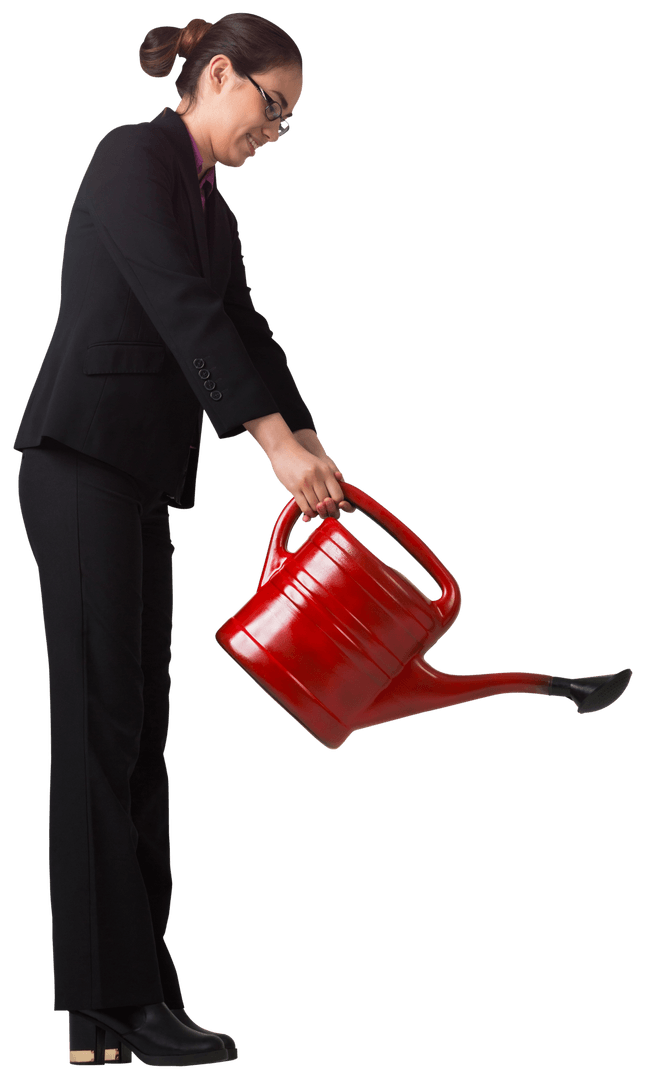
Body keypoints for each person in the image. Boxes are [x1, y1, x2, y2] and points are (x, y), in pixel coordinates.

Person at [13, 12, 354, 1069]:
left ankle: (120, 1001)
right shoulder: (132, 157)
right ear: (218, 75)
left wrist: (309, 439)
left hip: (140, 481)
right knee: (98, 730)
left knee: (138, 735)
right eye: (271, 106)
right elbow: (176, 306)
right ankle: (114, 997)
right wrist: (268, 443)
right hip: (78, 462)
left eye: (289, 120)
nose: (274, 132)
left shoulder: (216, 211)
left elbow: (243, 324)